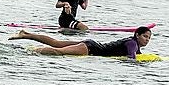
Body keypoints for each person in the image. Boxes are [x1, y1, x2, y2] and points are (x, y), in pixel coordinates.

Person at [8, 26, 152, 58]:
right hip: (90, 49)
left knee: (56, 43)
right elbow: (132, 59)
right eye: (145, 36)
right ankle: (32, 51)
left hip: (90, 44)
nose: (147, 40)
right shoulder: (132, 43)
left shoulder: (132, 42)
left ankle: (26, 34)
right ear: (137, 35)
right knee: (59, 52)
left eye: (149, 38)